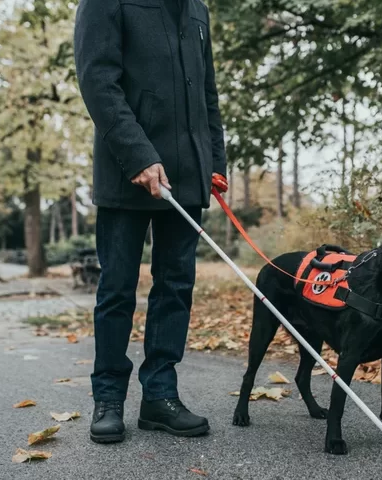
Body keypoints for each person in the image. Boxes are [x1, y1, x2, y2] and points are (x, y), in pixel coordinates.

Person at [73, 0, 227, 444]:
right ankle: (108, 399)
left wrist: (213, 164)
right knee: (117, 290)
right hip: (128, 174)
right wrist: (139, 156)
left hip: (188, 179)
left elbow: (207, 96)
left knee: (176, 287)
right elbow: (99, 82)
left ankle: (160, 397)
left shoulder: (197, 10)